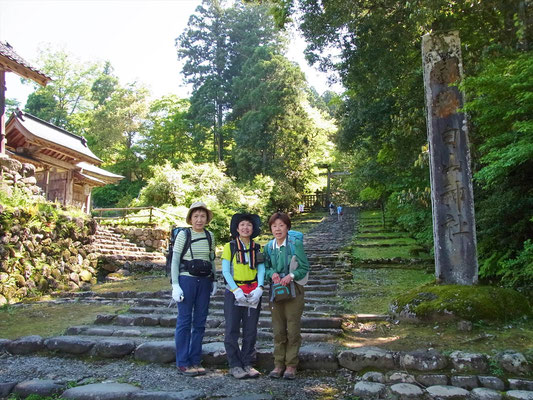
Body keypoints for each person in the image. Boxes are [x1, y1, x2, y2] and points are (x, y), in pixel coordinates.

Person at [171, 201, 217, 376]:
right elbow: (175, 260)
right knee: (184, 321)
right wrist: (175, 285)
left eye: (202, 216)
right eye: (196, 216)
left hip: (204, 282)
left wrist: (214, 279)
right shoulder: (184, 235)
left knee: (200, 322)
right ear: (190, 218)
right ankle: (182, 362)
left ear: (207, 219)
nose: (199, 219)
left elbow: (211, 259)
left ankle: (195, 360)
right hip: (186, 281)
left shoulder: (210, 236)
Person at [264, 212, 309, 380]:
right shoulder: (268, 247)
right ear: (270, 228)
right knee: (278, 328)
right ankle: (278, 364)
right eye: (274, 226)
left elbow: (304, 267)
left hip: (294, 290)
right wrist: (272, 273)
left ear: (287, 227)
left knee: (293, 327)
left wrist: (291, 275)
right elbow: (266, 266)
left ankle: (291, 365)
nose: (278, 229)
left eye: (281, 225)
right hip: (276, 291)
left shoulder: (295, 244)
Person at [222, 213, 265, 379]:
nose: (246, 228)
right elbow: (225, 270)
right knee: (232, 328)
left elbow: (261, 268)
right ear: (237, 228)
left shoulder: (257, 247)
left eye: (249, 225)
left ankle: (248, 362)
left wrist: (260, 287)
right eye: (242, 225)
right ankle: (234, 364)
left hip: (253, 290)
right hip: (235, 292)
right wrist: (235, 289)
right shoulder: (230, 247)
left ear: (253, 229)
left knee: (250, 329)